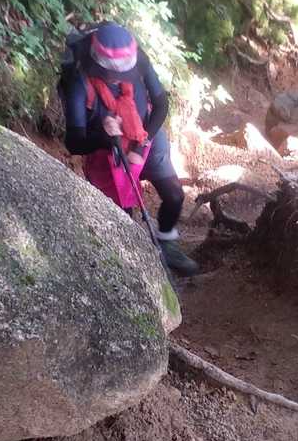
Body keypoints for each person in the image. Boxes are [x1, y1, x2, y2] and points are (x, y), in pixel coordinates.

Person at [62, 21, 200, 277]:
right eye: (111, 73)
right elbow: (74, 142)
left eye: (125, 72)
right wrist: (104, 137)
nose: (120, 77)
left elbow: (161, 104)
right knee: (121, 216)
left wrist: (142, 144)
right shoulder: (79, 82)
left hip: (146, 134)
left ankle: (167, 245)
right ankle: (131, 268)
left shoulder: (139, 60)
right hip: (107, 150)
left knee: (174, 195)